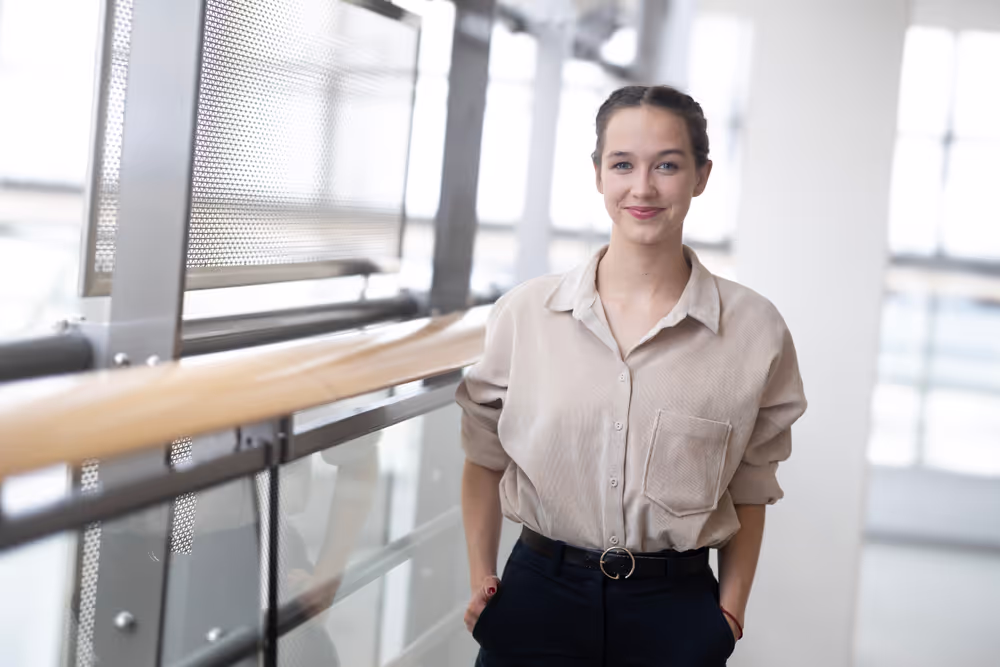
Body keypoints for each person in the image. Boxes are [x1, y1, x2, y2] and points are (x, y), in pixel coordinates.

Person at [456, 85, 807, 666]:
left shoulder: (755, 331)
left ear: (701, 175)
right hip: (537, 598)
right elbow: (483, 456)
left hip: (675, 614)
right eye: (623, 164)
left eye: (667, 165)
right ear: (598, 175)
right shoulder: (525, 315)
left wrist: (731, 611)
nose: (642, 188)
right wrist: (481, 578)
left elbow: (752, 484)